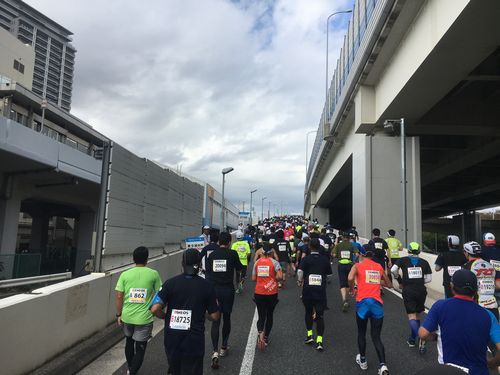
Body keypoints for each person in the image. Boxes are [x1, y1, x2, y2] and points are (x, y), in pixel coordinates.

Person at [150, 248, 219, 375]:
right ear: (199, 265)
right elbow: (215, 316)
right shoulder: (207, 286)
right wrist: (204, 314)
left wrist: (165, 316)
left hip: (172, 338)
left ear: (182, 263)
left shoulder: (170, 283)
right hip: (194, 339)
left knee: (175, 369)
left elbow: (154, 309)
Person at [419, 269, 500, 375]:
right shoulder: (488, 315)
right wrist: (492, 363)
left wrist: (435, 337)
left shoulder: (440, 306)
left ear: (452, 286)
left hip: (449, 370)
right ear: (476, 289)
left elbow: (423, 334)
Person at [115, 246, 162, 375]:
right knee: (140, 349)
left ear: (133, 259)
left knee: (129, 342)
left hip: (127, 316)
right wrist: (154, 307)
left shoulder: (125, 274)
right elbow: (160, 293)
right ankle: (131, 371)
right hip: (144, 318)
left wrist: (119, 314)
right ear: (147, 259)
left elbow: (119, 296)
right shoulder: (153, 274)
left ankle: (131, 367)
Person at [348, 243, 392, 375]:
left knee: (361, 333)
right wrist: (376, 281)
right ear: (372, 254)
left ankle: (363, 360)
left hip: (362, 303)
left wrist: (351, 289)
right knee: (376, 336)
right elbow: (389, 284)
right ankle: (383, 366)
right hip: (376, 304)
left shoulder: (357, 265)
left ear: (361, 253)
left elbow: (350, 278)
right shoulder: (378, 267)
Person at [205, 232, 243, 368]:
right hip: (227, 290)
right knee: (227, 318)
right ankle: (223, 347)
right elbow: (239, 268)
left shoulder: (212, 255)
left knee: (216, 321)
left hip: (214, 291)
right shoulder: (232, 254)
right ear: (229, 242)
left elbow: (207, 272)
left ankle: (214, 351)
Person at [391, 242, 432, 353]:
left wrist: (399, 279)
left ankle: (422, 338)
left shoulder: (403, 260)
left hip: (408, 290)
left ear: (408, 250)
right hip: (421, 290)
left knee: (411, 316)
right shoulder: (425, 262)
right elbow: (429, 279)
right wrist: (418, 280)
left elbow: (393, 270)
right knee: (417, 315)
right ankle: (413, 339)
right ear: (419, 251)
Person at [297, 238, 332, 351]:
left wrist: (299, 280)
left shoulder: (306, 259)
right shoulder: (324, 259)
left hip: (308, 289)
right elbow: (330, 275)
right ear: (319, 247)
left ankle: (309, 335)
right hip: (320, 290)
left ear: (310, 247)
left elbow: (300, 271)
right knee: (320, 316)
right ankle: (320, 341)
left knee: (308, 312)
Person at [253, 241, 283, 351]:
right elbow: (280, 277)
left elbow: (253, 279)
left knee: (261, 315)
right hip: (271, 292)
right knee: (269, 315)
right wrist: (273, 278)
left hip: (259, 292)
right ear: (271, 252)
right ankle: (265, 338)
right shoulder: (275, 263)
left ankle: (260, 332)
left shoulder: (257, 263)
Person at [462, 241, 500, 319]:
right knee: (494, 330)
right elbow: (497, 285)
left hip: (477, 307)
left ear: (467, 253)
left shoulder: (466, 267)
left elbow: (463, 289)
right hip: (493, 306)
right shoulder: (490, 265)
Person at [333, 234, 357, 312]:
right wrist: (354, 260)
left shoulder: (339, 245)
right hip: (349, 265)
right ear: (349, 238)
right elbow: (357, 254)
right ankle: (347, 298)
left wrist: (337, 256)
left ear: (342, 237)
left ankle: (344, 300)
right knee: (347, 282)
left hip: (341, 265)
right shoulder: (351, 245)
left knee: (342, 283)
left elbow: (333, 254)